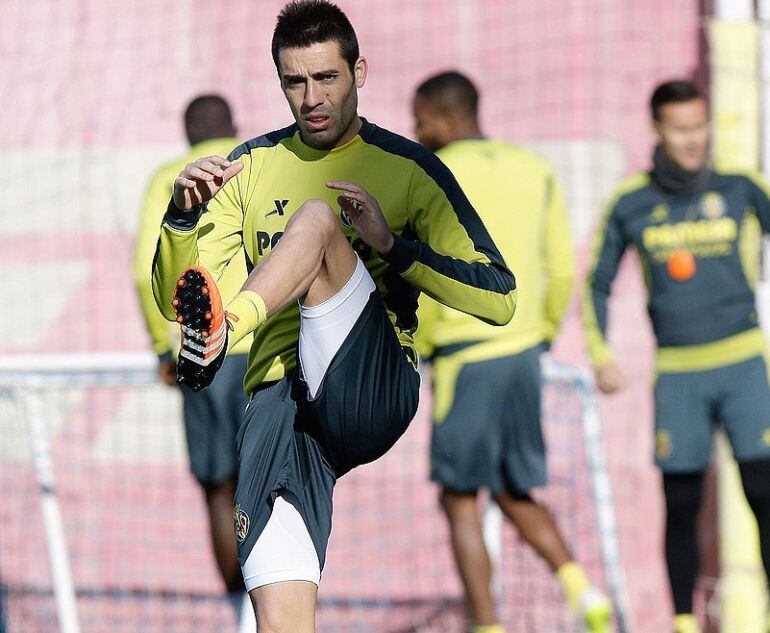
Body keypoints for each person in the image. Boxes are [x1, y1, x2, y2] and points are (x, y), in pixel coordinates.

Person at [150, 2, 517, 632]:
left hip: (369, 385)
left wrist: (394, 248)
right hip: (279, 409)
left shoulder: (409, 168)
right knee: (281, 617)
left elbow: (498, 297)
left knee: (317, 222)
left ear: (359, 72)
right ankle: (222, 337)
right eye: (295, 81)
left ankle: (222, 337)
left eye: (327, 78)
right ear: (280, 83)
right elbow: (179, 295)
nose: (312, 97)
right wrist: (182, 219)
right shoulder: (250, 166)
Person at [412, 71, 612, 633]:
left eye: (421, 119)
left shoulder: (433, 174)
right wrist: (541, 332)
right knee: (511, 488)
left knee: (458, 499)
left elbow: (422, 272)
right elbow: (561, 265)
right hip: (523, 351)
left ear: (446, 119)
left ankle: (486, 624)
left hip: (464, 354)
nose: (416, 131)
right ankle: (581, 587)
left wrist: (422, 344)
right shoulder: (534, 168)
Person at [583, 79, 770, 633]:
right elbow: (596, 282)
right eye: (681, 128)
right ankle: (685, 623)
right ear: (658, 130)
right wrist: (601, 354)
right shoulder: (631, 202)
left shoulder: (740, 187)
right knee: (682, 503)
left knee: (764, 494)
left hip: (744, 369)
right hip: (679, 376)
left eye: (700, 126)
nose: (694, 140)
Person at [132, 95, 255, 631]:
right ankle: (280, 608)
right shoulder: (257, 163)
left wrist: (165, 349)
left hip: (204, 353)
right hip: (265, 343)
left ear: (187, 134)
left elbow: (146, 272)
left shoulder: (170, 177)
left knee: (218, 486)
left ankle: (239, 615)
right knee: (273, 480)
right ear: (235, 126)